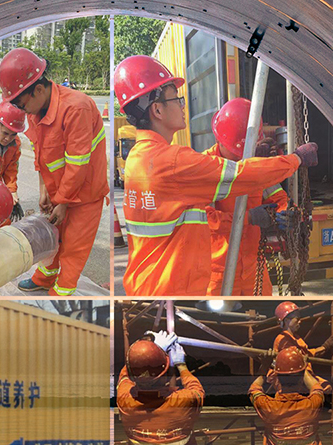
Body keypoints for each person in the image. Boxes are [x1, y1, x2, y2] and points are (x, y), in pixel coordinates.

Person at [113, 55, 318, 296]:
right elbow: (239, 176)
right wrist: (295, 159)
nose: (182, 105)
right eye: (176, 99)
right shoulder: (175, 163)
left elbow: (269, 189)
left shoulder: (139, 157)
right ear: (157, 109)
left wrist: (283, 211)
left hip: (168, 280)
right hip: (182, 282)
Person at [0, 48, 109, 296]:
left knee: (73, 248)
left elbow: (78, 164)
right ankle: (45, 278)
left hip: (86, 193)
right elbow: (42, 156)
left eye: (22, 103)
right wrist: (45, 191)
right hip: (61, 191)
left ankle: (61, 293)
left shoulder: (76, 108)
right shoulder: (38, 111)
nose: (22, 111)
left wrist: (64, 202)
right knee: (53, 238)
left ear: (38, 89)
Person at [204, 98, 291, 295]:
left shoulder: (254, 165)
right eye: (235, 153)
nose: (240, 159)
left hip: (254, 269)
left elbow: (278, 197)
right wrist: (248, 218)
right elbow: (204, 221)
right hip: (217, 272)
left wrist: (285, 213)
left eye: (243, 153)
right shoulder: (205, 169)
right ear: (219, 139)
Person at [269, 301, 333, 390]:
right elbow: (300, 359)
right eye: (297, 318)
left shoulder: (295, 338)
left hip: (298, 377)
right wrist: (325, 346)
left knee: (326, 387)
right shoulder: (283, 340)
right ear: (286, 320)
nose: (300, 321)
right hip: (291, 382)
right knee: (323, 389)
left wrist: (325, 346)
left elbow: (305, 354)